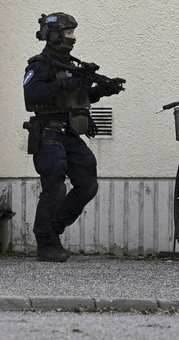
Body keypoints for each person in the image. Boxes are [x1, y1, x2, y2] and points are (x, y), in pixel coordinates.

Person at [23, 13, 124, 262]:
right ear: (55, 35)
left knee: (88, 183)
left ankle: (53, 230)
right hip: (48, 131)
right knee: (54, 185)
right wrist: (65, 82)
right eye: (68, 33)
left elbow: (77, 98)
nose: (73, 38)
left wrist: (102, 91)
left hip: (68, 133)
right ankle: (45, 244)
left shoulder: (71, 65)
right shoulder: (39, 65)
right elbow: (31, 96)